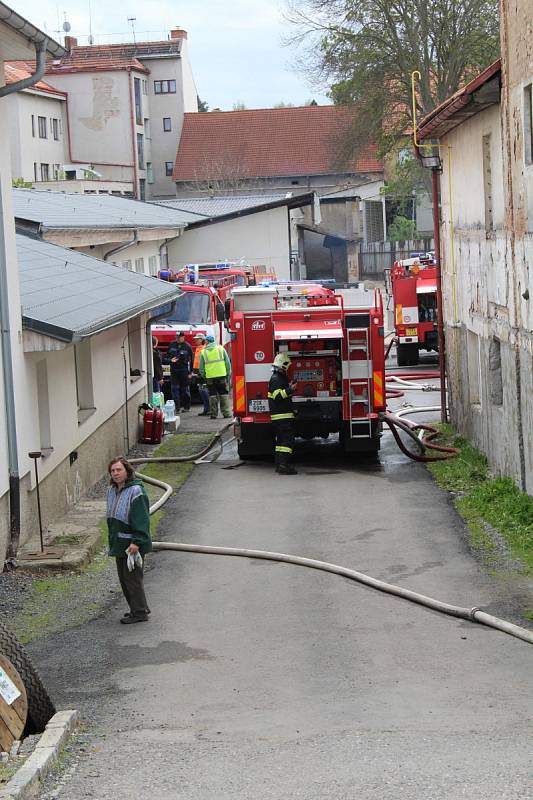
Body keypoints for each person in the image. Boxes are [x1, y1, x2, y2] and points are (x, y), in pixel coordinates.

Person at [106, 457, 152, 624]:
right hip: (119, 543)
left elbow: (142, 519)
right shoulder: (111, 491)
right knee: (125, 579)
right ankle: (137, 608)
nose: (116, 473)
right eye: (113, 471)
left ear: (127, 471)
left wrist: (136, 542)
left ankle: (139, 613)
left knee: (132, 579)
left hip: (132, 544)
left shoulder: (136, 491)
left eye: (119, 470)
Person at [268, 353, 298, 475]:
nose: (287, 369)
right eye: (286, 366)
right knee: (287, 441)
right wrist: (290, 389)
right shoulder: (276, 379)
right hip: (282, 416)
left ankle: (279, 464)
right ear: (283, 365)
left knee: (280, 442)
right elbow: (277, 396)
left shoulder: (278, 377)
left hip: (281, 416)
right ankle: (283, 465)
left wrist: (289, 387)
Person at [198, 335, 232, 419]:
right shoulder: (221, 349)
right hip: (221, 376)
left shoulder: (203, 352)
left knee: (212, 395)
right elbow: (227, 363)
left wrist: (204, 376)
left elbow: (201, 368)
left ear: (206, 342)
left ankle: (213, 414)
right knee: (223, 394)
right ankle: (226, 413)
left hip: (210, 377)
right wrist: (228, 373)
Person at [163, 331, 193, 412]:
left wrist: (190, 372)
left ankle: (186, 407)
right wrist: (170, 360)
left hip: (184, 371)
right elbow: (166, 357)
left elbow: (191, 360)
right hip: (174, 371)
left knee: (185, 390)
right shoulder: (171, 345)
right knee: (174, 389)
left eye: (179, 337)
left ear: (183, 337)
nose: (177, 339)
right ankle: (177, 408)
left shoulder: (188, 346)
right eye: (176, 337)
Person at [192, 333, 210, 416]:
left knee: (203, 390)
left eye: (197, 339)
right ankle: (206, 409)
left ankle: (208, 409)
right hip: (197, 371)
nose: (195, 340)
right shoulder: (198, 348)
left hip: (202, 372)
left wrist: (202, 372)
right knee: (201, 390)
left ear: (202, 340)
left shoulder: (203, 349)